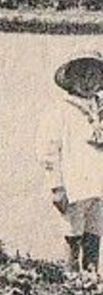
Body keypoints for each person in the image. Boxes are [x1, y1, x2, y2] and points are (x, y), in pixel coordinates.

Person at [41, 56, 103, 272]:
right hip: (75, 184)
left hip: (98, 185)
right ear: (70, 79)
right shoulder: (61, 110)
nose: (87, 81)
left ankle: (91, 278)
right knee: (73, 234)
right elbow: (48, 151)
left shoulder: (100, 109)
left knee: (95, 233)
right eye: (81, 75)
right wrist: (57, 187)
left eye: (94, 76)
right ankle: (72, 277)